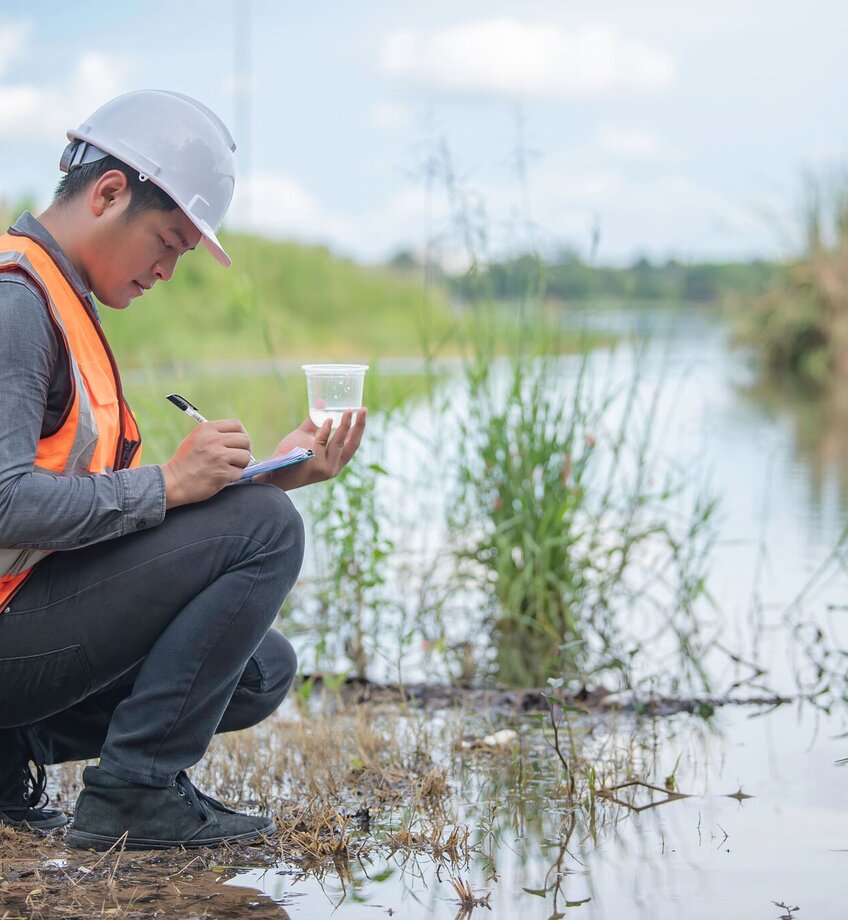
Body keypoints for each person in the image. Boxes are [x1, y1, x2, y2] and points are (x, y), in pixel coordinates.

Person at [0, 90, 366, 850]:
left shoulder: (64, 297)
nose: (167, 270)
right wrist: (170, 483)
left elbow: (72, 506)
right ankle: (134, 796)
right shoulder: (17, 303)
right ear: (109, 193)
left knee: (260, 666)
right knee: (267, 533)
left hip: (23, 616)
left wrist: (262, 478)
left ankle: (12, 750)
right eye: (167, 241)